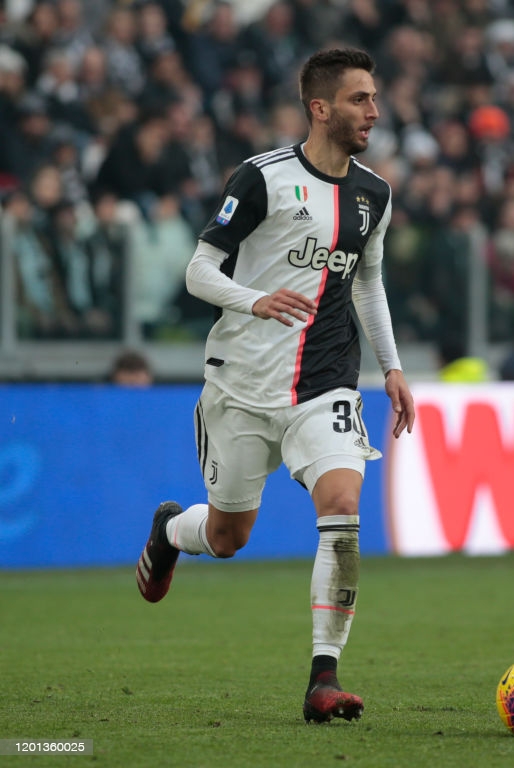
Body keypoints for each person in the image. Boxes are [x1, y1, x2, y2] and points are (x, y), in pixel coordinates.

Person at [133, 47, 415, 725]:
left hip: (326, 382)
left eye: (374, 98)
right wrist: (253, 299)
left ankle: (324, 677)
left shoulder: (374, 194)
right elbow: (199, 271)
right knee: (228, 536)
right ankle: (171, 530)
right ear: (320, 108)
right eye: (359, 99)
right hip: (242, 385)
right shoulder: (262, 177)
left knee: (342, 507)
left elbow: (367, 282)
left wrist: (392, 366)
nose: (373, 111)